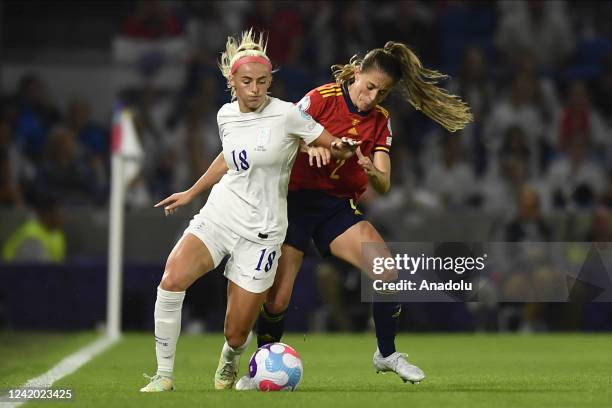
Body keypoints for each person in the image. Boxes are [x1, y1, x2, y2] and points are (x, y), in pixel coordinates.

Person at [139, 29, 358, 392]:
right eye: (247, 82)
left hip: (263, 232)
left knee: (237, 332)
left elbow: (329, 144)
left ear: (271, 81)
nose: (255, 89)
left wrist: (342, 148)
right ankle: (163, 375)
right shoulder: (225, 115)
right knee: (172, 279)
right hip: (220, 215)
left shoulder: (288, 115)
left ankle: (231, 357)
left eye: (262, 81)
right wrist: (193, 191)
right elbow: (229, 157)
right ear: (232, 82)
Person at [243, 41, 472, 388]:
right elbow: (281, 132)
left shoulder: (380, 121)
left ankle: (386, 353)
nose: (371, 97)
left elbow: (383, 184)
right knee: (277, 299)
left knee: (386, 270)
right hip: (293, 203)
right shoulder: (322, 98)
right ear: (357, 73)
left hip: (335, 208)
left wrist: (369, 167)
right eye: (369, 86)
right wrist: (312, 145)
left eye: (381, 92)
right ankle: (262, 364)